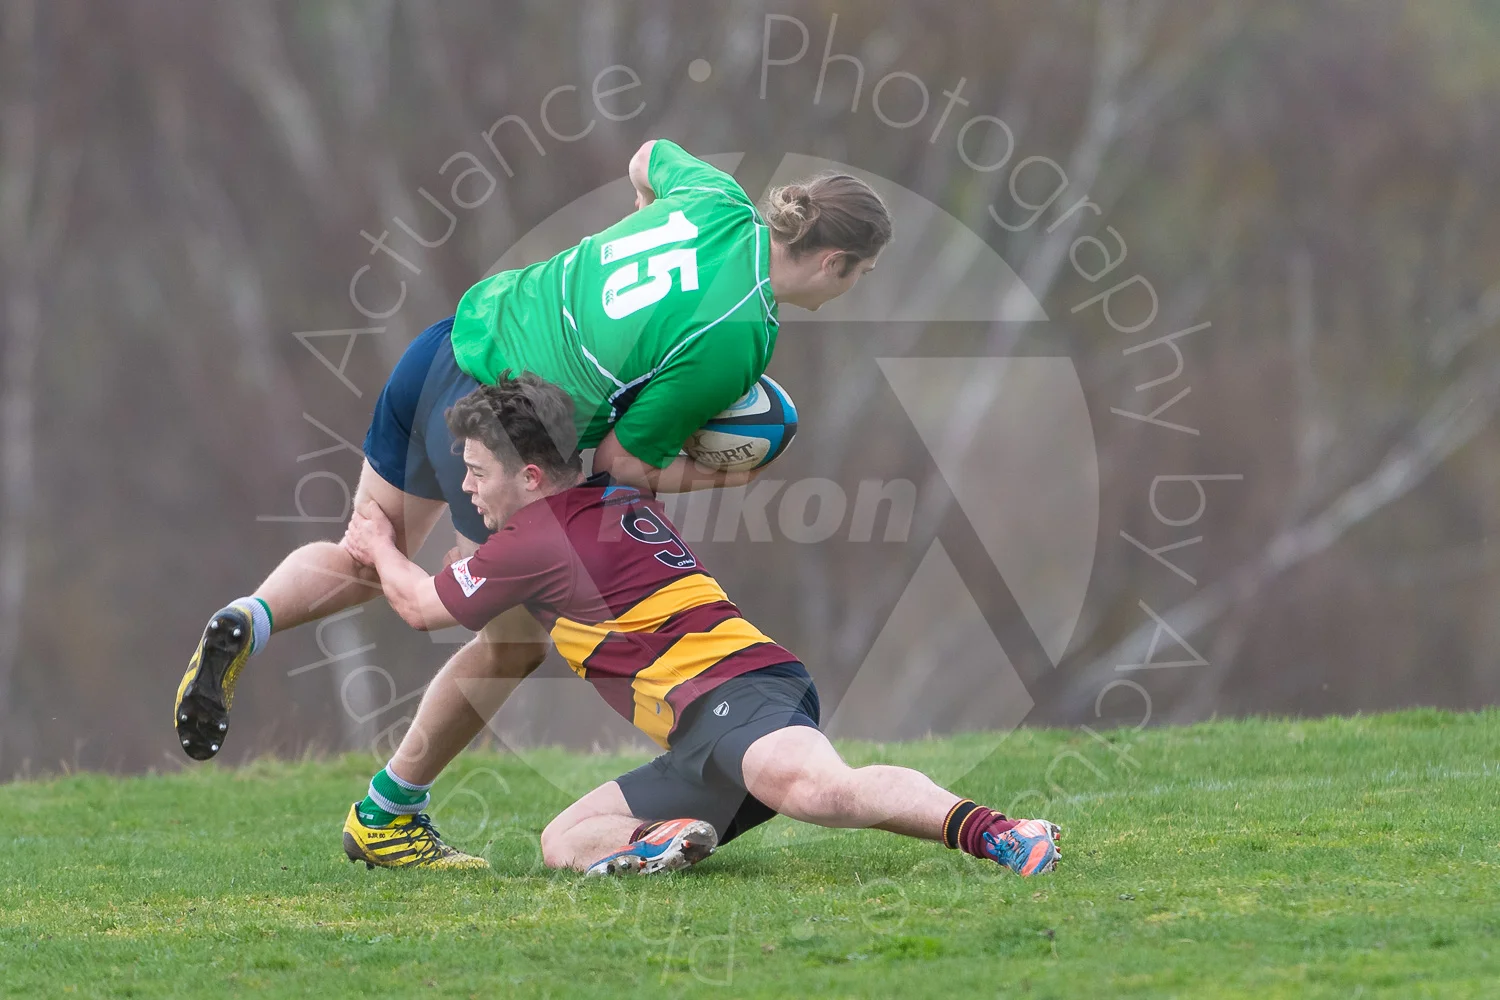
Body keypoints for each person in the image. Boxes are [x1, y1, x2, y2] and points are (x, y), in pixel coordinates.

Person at [173, 140, 893, 773]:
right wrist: (724, 471)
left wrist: (639, 218)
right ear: (832, 261)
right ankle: (390, 812)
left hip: (454, 338)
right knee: (512, 646)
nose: (856, 287)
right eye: (861, 273)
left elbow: (648, 153)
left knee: (366, 550)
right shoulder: (739, 337)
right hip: (507, 426)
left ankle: (250, 616)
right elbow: (618, 467)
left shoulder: (717, 195)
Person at [337, 376, 1061, 877]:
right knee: (566, 841)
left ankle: (1002, 832)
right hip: (702, 733)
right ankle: (665, 840)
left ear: (530, 478)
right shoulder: (609, 490)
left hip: (734, 693)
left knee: (822, 793)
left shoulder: (533, 540)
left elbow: (421, 606)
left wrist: (376, 544)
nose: (466, 487)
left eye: (476, 472)